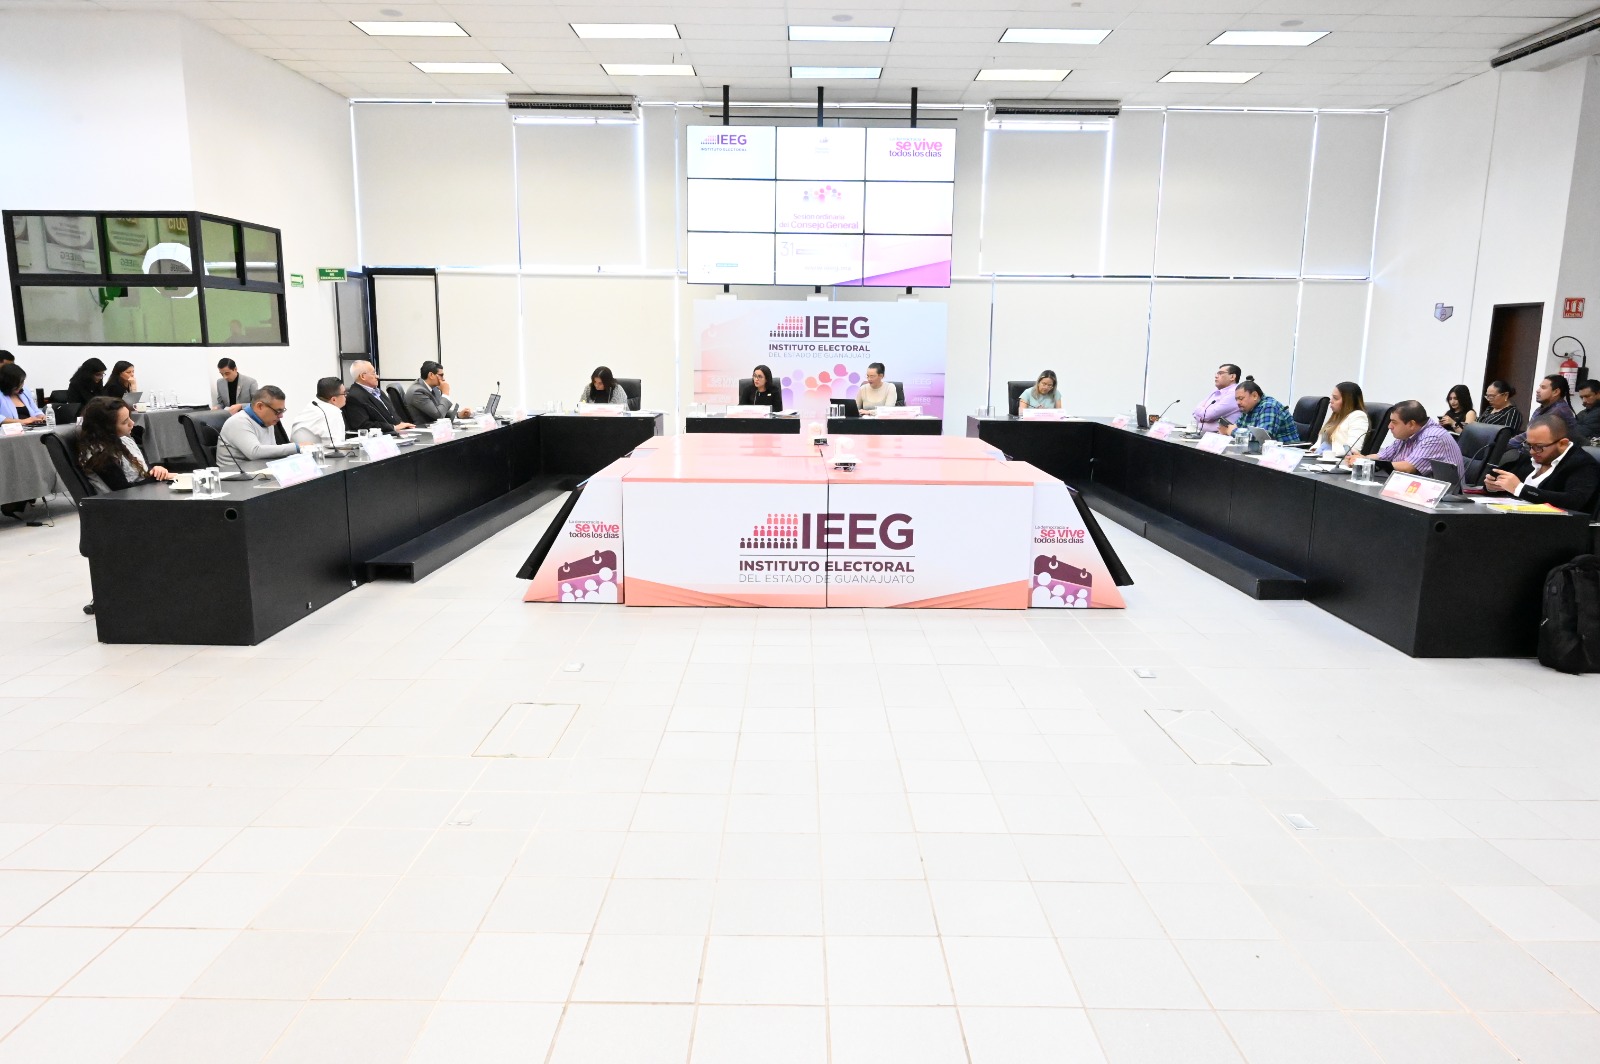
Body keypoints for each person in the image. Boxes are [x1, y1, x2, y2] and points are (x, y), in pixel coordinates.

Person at [1484, 414, 1600, 513]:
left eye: (1539, 447)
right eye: (1529, 445)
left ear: (1562, 444)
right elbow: (1506, 483)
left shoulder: (1583, 464)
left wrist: (1520, 489)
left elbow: (1574, 501)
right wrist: (1493, 486)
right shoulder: (1531, 457)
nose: (1532, 451)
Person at [75, 396, 174, 492]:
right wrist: (160, 478)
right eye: (125, 422)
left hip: (143, 494)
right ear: (108, 427)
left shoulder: (124, 440)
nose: (132, 423)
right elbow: (124, 490)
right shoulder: (100, 456)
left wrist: (156, 471)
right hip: (123, 501)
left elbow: (142, 472)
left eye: (129, 418)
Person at [1346, 400, 1463, 479]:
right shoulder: (1407, 435)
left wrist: (1366, 462)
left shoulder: (1434, 437)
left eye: (1394, 422)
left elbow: (1408, 468)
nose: (1389, 426)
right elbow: (1383, 456)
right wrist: (1362, 458)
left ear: (1411, 424)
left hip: (1444, 500)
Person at [217, 386, 302, 472]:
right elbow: (254, 452)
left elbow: (271, 451)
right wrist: (297, 447)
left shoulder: (267, 421)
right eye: (278, 411)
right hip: (234, 475)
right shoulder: (238, 422)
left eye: (282, 411)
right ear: (260, 406)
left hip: (257, 471)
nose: (281, 416)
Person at [1507, 374, 1581, 456]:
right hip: (1536, 451)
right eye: (1539, 387)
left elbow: (1532, 435)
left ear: (1556, 392)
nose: (1537, 390)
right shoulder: (1543, 408)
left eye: (1543, 388)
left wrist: (1506, 444)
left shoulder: (1559, 411)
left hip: (1553, 456)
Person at [1220, 377, 1298, 444]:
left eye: (1241, 398)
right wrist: (1229, 429)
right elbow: (1238, 426)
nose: (1238, 402)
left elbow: (1264, 438)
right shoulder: (1247, 408)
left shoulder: (1269, 406)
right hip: (1261, 450)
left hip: (1286, 450)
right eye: (1236, 399)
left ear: (1255, 396)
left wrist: (1233, 431)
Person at [343, 360, 414, 434]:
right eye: (373, 373)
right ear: (363, 376)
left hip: (397, 432)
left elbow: (392, 414)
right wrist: (393, 427)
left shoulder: (378, 391)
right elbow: (363, 425)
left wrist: (401, 424)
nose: (377, 376)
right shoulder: (355, 397)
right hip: (382, 435)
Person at [289, 377, 349, 447]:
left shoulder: (313, 404)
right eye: (344, 393)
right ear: (334, 399)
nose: (346, 396)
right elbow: (335, 446)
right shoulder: (332, 412)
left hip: (296, 451)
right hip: (311, 452)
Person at [407, 360, 472, 424]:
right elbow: (439, 415)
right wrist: (445, 393)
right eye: (441, 375)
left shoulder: (433, 388)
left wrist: (458, 414)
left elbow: (440, 409)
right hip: (422, 429)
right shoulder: (417, 392)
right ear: (431, 375)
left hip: (433, 427)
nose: (443, 379)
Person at [1316, 381, 1370, 456]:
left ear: (1348, 401)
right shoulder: (1336, 415)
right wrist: (1314, 450)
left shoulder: (1358, 416)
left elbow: (1352, 449)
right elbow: (1320, 443)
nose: (1331, 401)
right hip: (1322, 458)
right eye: (1332, 397)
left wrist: (1328, 453)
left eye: (1335, 398)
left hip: (1338, 460)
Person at [1190, 363, 1242, 432]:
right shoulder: (1216, 391)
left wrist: (1203, 415)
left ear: (1232, 377)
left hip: (1220, 435)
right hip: (1203, 433)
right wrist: (1202, 417)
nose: (1216, 376)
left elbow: (1209, 415)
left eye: (1220, 373)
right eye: (1217, 373)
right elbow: (1194, 412)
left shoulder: (1234, 393)